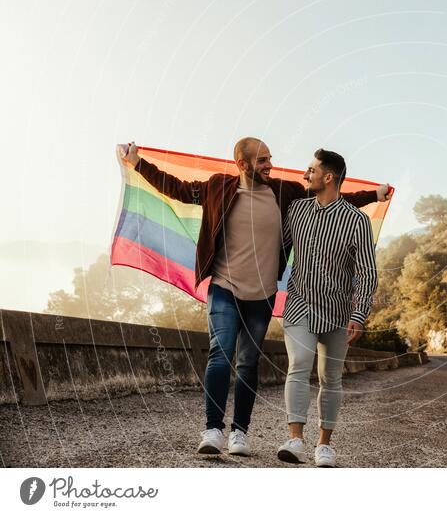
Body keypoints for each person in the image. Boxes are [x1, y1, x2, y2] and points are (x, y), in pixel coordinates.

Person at [119, 139, 390, 456]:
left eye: (269, 158)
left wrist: (374, 195)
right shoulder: (218, 186)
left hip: (262, 296)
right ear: (242, 164)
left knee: (248, 363)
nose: (269, 164)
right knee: (220, 354)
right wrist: (138, 162)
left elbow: (333, 201)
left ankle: (240, 433)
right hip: (224, 287)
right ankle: (213, 429)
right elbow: (176, 187)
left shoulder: (284, 193)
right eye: (262, 160)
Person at [277, 148, 379, 468]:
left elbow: (366, 272)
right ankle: (295, 440)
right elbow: (277, 250)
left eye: (311, 170)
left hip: (338, 312)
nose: (306, 175)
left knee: (330, 378)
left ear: (328, 177)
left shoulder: (357, 221)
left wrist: (358, 314)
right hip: (298, 305)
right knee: (300, 363)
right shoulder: (296, 210)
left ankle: (324, 445)